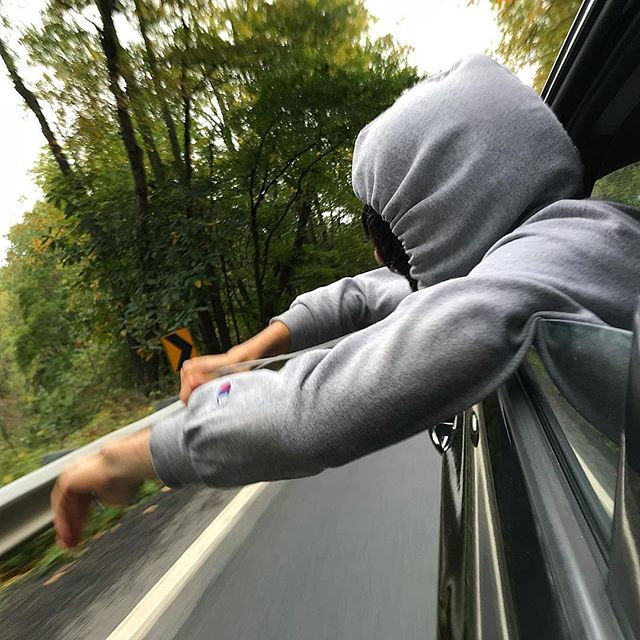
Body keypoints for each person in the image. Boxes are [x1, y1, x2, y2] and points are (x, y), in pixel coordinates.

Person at [52, 54, 640, 549]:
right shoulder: (579, 242)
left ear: (445, 205)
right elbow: (369, 292)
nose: (391, 263)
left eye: (398, 237)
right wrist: (247, 353)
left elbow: (311, 412)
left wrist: (132, 457)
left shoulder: (515, 288)